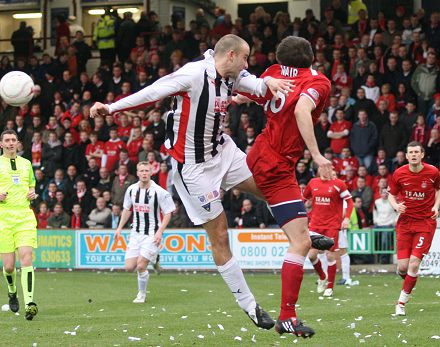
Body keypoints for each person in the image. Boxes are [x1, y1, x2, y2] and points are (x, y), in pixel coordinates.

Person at [91, 34, 294, 329]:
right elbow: (152, 92)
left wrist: (268, 84)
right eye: (246, 58)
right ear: (232, 55)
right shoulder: (193, 73)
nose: (248, 64)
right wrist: (112, 108)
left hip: (222, 151)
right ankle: (249, 305)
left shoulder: (229, 74)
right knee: (220, 237)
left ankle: (303, 235)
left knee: (270, 188)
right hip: (194, 169)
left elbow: (252, 83)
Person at [237, 36, 334, 337]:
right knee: (301, 243)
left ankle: (303, 228)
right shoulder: (318, 82)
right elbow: (302, 111)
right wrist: (318, 156)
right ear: (311, 56)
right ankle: (287, 318)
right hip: (277, 164)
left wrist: (232, 98)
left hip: (261, 152)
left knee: (297, 228)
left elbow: (249, 94)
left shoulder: (272, 73)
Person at [387, 141, 440, 316]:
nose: (414, 155)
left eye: (417, 151)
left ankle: (401, 302)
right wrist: (396, 206)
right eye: (411, 152)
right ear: (407, 156)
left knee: (414, 264)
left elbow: (438, 190)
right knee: (403, 267)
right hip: (405, 223)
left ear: (422, 154)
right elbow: (391, 195)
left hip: (425, 223)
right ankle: (410, 282)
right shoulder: (399, 173)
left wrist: (436, 206)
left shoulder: (433, 172)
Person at [115, 162, 175, 303]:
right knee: (129, 268)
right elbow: (127, 209)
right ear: (137, 173)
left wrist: (160, 232)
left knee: (141, 265)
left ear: (151, 172)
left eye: (146, 171)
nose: (144, 173)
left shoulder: (159, 191)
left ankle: (141, 294)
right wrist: (119, 228)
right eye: (141, 171)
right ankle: (154, 259)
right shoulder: (131, 190)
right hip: (135, 233)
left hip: (152, 234)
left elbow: (168, 213)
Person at [0, 130, 38, 320]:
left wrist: (33, 193)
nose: (10, 143)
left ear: (18, 143)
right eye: (7, 140)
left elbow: (31, 184)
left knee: (26, 258)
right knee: (8, 267)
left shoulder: (26, 164)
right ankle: (12, 291)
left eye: (13, 140)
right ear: (1, 144)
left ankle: (30, 303)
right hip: (3, 219)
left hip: (24, 216)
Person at [303, 169, 353, 297]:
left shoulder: (339, 184)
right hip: (315, 225)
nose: (324, 170)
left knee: (331, 256)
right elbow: (304, 198)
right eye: (321, 167)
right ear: (318, 169)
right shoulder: (313, 182)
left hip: (331, 226)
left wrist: (346, 218)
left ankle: (330, 287)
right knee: (311, 256)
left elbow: (350, 202)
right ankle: (322, 277)